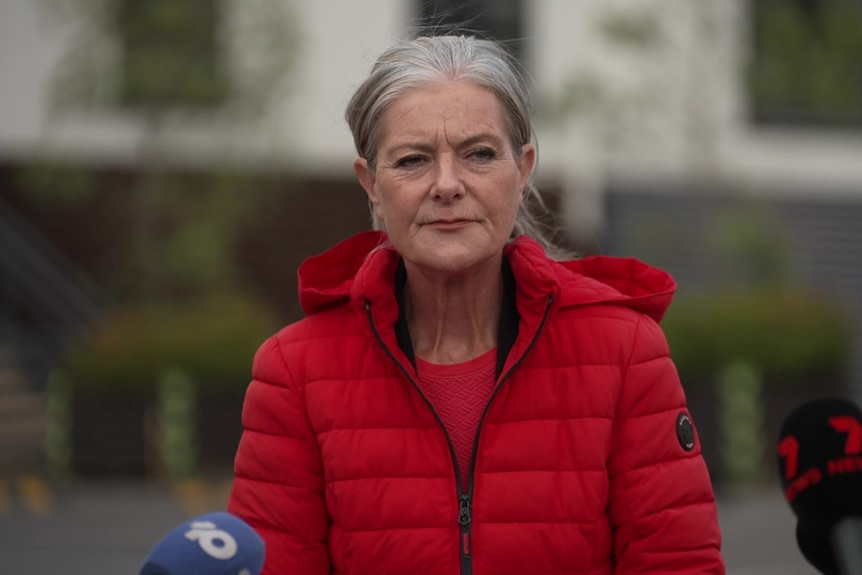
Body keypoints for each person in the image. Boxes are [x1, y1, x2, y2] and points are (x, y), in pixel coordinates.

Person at [227, 34, 725, 574]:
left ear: (523, 170)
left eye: (480, 154)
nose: (447, 185)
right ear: (371, 185)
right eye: (413, 160)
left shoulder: (624, 352)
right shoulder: (295, 373)